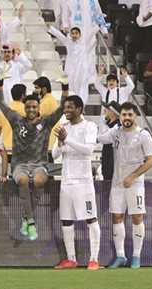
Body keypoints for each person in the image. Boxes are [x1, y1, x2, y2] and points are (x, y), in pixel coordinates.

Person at [0, 64, 68, 241]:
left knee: (38, 180)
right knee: (22, 179)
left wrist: (65, 87)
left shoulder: (46, 122)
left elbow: (63, 107)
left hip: (39, 165)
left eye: (34, 107)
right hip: (20, 165)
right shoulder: (16, 119)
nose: (30, 110)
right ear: (24, 107)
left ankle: (26, 219)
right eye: (28, 107)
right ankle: (31, 221)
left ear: (38, 108)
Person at [97, 102, 152, 269]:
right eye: (124, 115)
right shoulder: (115, 132)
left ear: (135, 116)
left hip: (135, 183)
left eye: (130, 115)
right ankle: (120, 255)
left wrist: (133, 176)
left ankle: (136, 256)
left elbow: (151, 160)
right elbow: (97, 139)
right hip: (117, 183)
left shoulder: (143, 135)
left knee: (137, 217)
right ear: (120, 116)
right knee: (117, 216)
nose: (127, 118)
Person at [51, 96, 101, 270]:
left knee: (90, 218)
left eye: (70, 107)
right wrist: (59, 142)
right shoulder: (63, 128)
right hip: (66, 181)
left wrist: (68, 139)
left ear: (80, 109)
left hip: (83, 181)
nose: (66, 110)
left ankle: (94, 259)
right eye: (65, 107)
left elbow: (88, 150)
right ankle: (71, 259)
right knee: (66, 220)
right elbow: (55, 155)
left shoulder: (89, 127)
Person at [47, 23, 100, 103]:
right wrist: (50, 27)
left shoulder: (84, 42)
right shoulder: (68, 42)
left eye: (76, 33)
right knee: (71, 86)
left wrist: (98, 26)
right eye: (73, 33)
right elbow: (59, 35)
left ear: (80, 35)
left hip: (81, 68)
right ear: (70, 35)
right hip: (71, 68)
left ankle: (82, 104)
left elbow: (91, 33)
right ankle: (72, 103)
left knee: (82, 86)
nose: (74, 35)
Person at [0, 83, 27, 164]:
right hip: (22, 148)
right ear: (23, 95)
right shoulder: (27, 110)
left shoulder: (4, 110)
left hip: (7, 148)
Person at [99, 101, 122, 181]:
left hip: (113, 176)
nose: (103, 113)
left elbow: (99, 138)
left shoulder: (116, 129)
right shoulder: (114, 127)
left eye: (105, 111)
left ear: (111, 114)